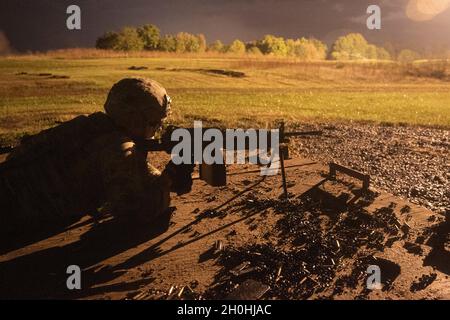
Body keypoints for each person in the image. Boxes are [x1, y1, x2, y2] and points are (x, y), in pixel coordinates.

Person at [0, 78, 193, 236]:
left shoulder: (94, 125)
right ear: (136, 119)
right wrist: (168, 180)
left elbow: (135, 172)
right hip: (16, 211)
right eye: (154, 122)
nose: (158, 128)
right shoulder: (115, 147)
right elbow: (135, 212)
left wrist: (165, 177)